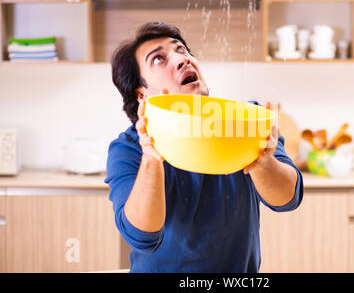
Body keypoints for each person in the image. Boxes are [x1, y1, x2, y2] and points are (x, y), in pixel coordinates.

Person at [105, 21, 304, 273]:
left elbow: (288, 199)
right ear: (141, 94)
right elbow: (141, 236)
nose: (182, 59)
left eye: (182, 50)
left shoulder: (246, 122)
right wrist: (151, 158)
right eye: (158, 59)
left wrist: (262, 160)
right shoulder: (129, 149)